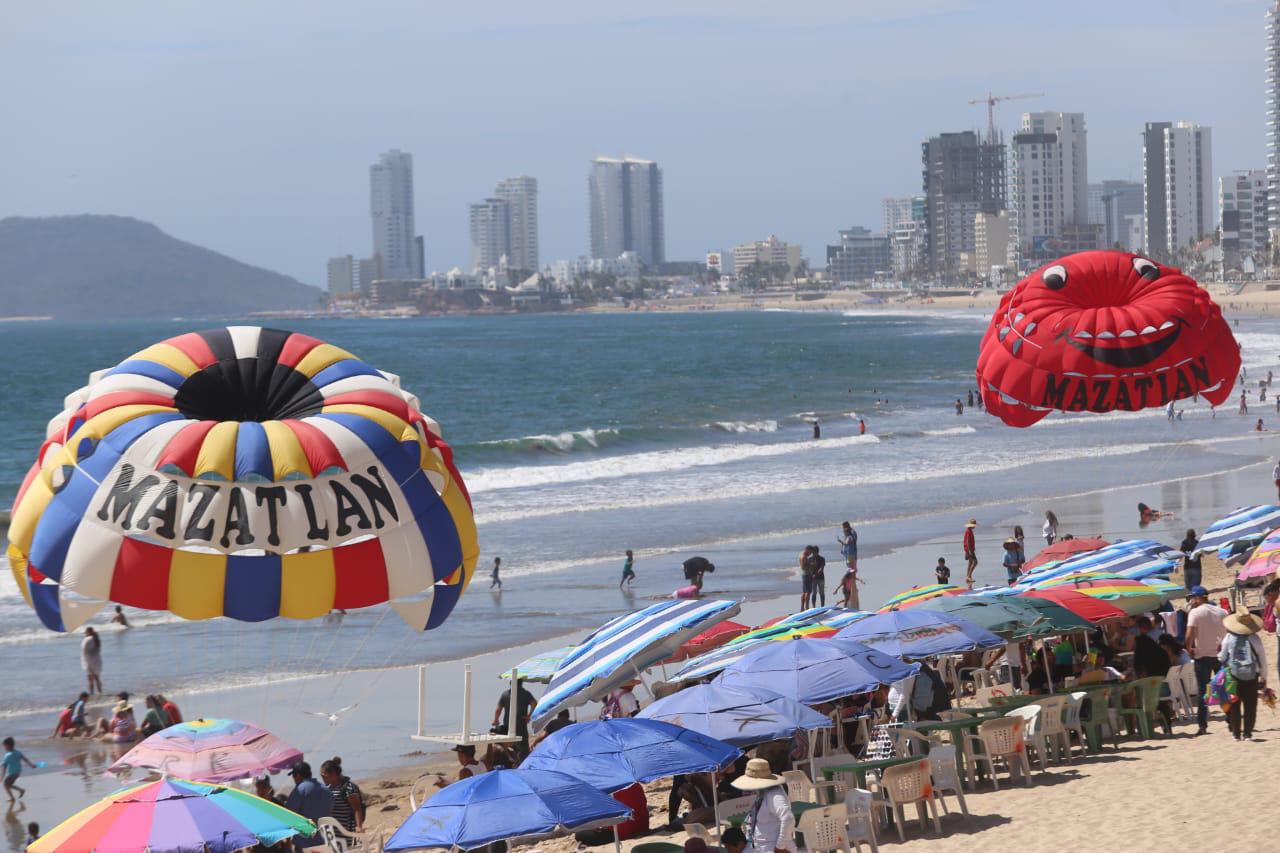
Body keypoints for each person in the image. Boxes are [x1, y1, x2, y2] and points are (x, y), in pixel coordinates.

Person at [1218, 607, 1267, 741]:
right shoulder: (1255, 639)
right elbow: (1262, 658)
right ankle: (1248, 734)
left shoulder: (1229, 638)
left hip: (1234, 676)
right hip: (1252, 676)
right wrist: (1264, 676)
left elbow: (1222, 657)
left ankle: (1236, 734)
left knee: (1234, 705)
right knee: (1250, 706)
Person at [1185, 585, 1227, 736]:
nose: (1191, 601)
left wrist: (1189, 649)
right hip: (1220, 655)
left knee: (1203, 691)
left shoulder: (1195, 612)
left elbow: (1190, 634)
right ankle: (1230, 719)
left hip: (1202, 656)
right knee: (1223, 688)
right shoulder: (1222, 611)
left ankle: (1202, 726)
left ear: (1197, 598)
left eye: (1192, 598)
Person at [731, 758, 795, 853]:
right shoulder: (761, 792)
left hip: (773, 847)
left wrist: (780, 847)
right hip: (759, 846)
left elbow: (788, 818)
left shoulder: (775, 794)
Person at [285, 761, 334, 849]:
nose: (294, 779)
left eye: (294, 776)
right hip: (326, 840)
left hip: (305, 843)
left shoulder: (300, 790)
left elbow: (288, 815)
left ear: (298, 775)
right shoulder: (326, 790)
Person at [320, 757, 364, 833]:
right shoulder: (328, 788)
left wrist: (359, 826)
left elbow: (357, 809)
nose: (322, 778)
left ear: (333, 775)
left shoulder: (348, 788)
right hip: (331, 832)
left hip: (347, 831)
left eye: (324, 776)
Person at [492, 679, 536, 752]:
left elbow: (498, 709)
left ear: (510, 684)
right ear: (521, 684)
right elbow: (534, 704)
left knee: (510, 747)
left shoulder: (505, 694)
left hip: (508, 726)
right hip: (521, 725)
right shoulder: (526, 694)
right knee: (523, 749)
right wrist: (529, 716)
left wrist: (496, 720)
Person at [2, 738, 36, 803]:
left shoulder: (7, 755)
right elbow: (24, 759)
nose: (4, 748)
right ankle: (21, 790)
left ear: (8, 745)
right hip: (18, 772)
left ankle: (12, 798)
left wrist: (2, 776)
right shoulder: (17, 752)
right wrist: (31, 765)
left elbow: (4, 766)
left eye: (4, 746)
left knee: (5, 784)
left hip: (12, 773)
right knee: (9, 785)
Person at [81, 627, 102, 696]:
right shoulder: (97, 639)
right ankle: (100, 692)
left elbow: (84, 650)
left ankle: (91, 693)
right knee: (97, 678)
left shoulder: (86, 639)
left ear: (88, 632)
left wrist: (85, 660)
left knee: (90, 679)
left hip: (89, 660)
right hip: (97, 660)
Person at [963, 519, 978, 585]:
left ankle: (968, 576)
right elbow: (968, 541)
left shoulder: (968, 531)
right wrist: (970, 551)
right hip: (969, 550)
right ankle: (968, 576)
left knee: (970, 562)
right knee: (975, 562)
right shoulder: (969, 531)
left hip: (968, 549)